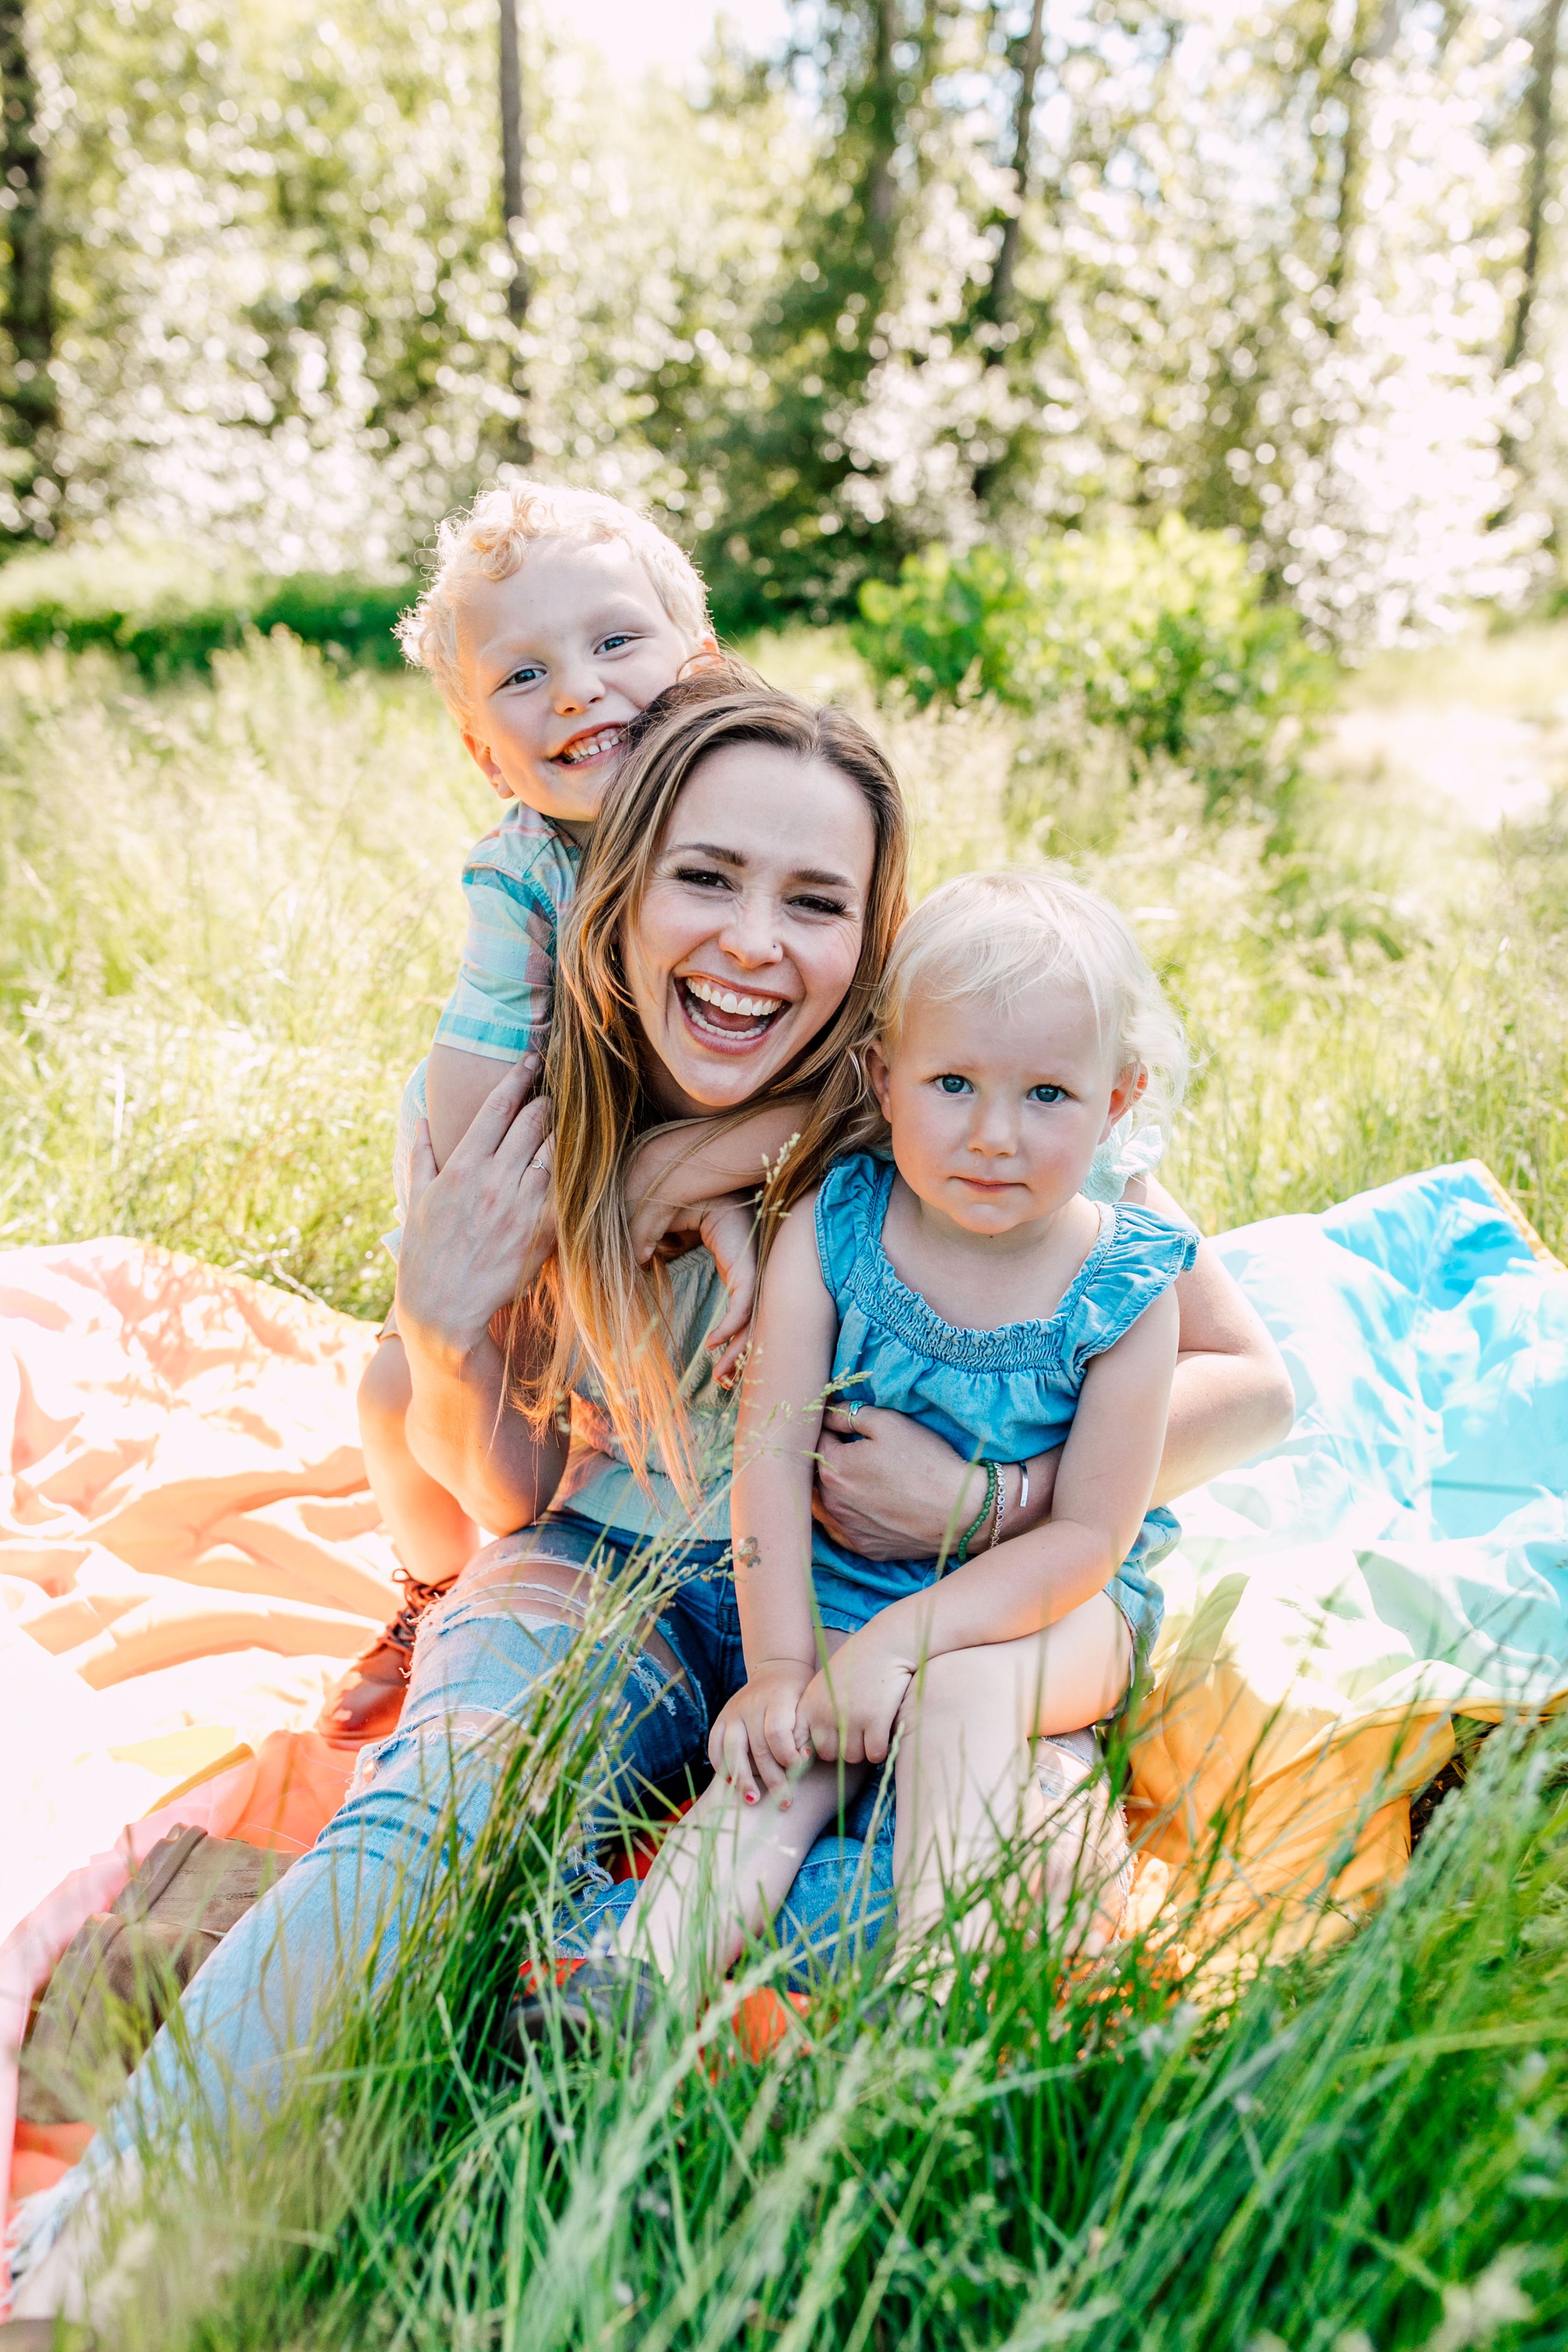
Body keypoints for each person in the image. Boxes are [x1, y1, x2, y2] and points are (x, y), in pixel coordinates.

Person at [9, 684, 1293, 2316]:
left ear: (869, 947)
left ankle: (606, 2106)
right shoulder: (513, 1113)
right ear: (617, 895)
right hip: (603, 1548)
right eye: (706, 876)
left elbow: (1242, 1379)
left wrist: (989, 1488)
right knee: (446, 1799)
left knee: (933, 1881)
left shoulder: (952, 1103)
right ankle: (151, 2208)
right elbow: (497, 1500)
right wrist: (436, 1326)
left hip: (885, 1596)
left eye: (814, 900)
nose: (754, 940)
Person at [569, 871, 1199, 2018]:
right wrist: (779, 1671)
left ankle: (927, 2017)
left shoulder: (1128, 1282)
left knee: (961, 1700)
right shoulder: (837, 1227)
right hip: (844, 1592)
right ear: (883, 1081)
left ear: (1117, 1103)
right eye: (952, 1082)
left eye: (1048, 1094)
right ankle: (629, 1988)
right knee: (780, 1758)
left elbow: (1091, 1538)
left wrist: (906, 1641)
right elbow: (767, 1455)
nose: (994, 1135)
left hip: (1052, 1615)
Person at [329, 482, 801, 1740]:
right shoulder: (527, 872)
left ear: (695, 668)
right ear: (486, 754)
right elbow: (476, 1101)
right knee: (400, 1399)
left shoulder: (764, 818)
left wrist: (710, 1162)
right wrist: (479, 1235)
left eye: (611, 644)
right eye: (523, 677)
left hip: (702, 1192)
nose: (578, 692)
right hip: (549, 1166)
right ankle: (430, 1592)